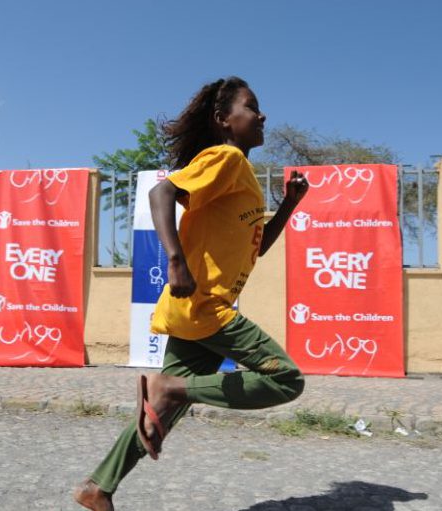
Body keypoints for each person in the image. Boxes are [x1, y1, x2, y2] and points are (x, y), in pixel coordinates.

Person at [75, 76, 309, 511]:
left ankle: (98, 486)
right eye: (251, 107)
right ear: (223, 120)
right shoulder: (226, 157)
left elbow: (258, 245)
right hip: (208, 307)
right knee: (285, 380)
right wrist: (175, 260)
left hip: (195, 310)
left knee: (162, 405)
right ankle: (171, 389)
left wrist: (289, 206)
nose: (262, 115)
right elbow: (161, 191)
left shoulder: (240, 173)